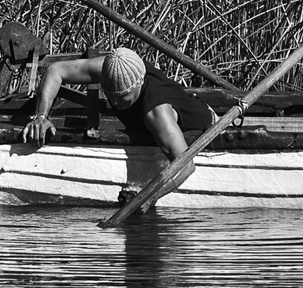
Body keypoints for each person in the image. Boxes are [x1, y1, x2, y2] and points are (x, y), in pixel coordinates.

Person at [20, 47, 221, 210]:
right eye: (110, 93)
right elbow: (55, 71)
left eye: (123, 96)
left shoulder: (157, 113)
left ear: (139, 83)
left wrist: (149, 197)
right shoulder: (112, 67)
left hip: (203, 123)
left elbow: (186, 166)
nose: (115, 101)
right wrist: (41, 116)